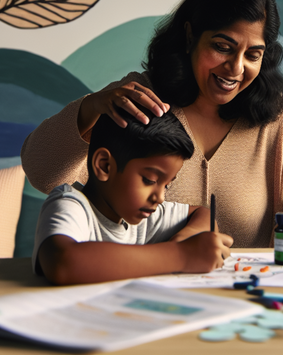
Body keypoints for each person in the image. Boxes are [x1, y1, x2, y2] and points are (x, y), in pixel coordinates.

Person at [22, 0, 283, 251]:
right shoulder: (138, 98)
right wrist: (89, 108)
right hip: (141, 298)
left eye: (253, 55)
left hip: (247, 300)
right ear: (190, 36)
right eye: (223, 47)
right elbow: (43, 173)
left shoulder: (274, 116)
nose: (236, 68)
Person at [33, 108, 232, 285]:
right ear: (104, 166)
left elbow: (202, 214)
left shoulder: (143, 217)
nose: (160, 197)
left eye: (167, 185)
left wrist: (185, 238)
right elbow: (61, 263)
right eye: (149, 179)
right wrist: (182, 254)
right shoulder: (70, 205)